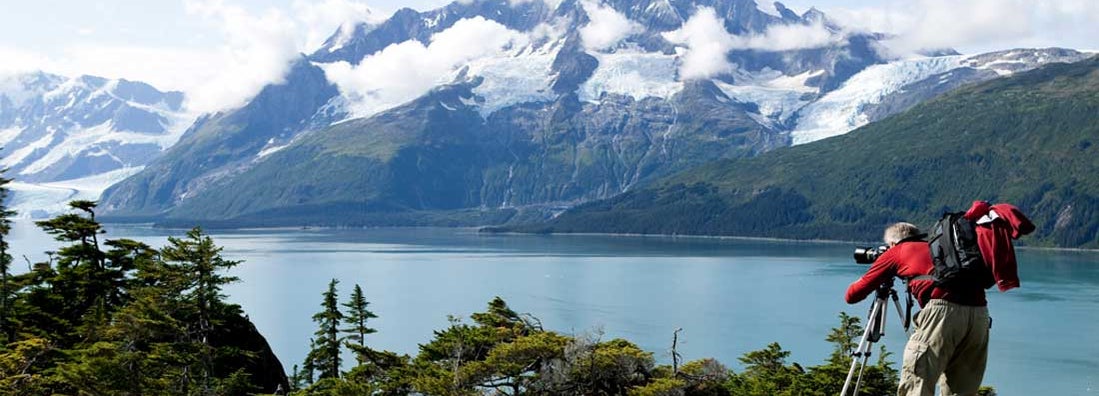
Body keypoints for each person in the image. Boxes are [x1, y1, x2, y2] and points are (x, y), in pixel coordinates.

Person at [845, 222, 990, 396]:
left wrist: (885, 263)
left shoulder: (897, 251)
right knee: (962, 390)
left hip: (942, 313)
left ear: (892, 243)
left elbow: (852, 295)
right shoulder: (940, 248)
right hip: (980, 316)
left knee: (917, 382)